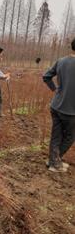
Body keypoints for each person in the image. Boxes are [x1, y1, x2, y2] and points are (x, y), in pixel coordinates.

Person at [43, 37, 75, 173]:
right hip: (71, 110)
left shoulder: (61, 61)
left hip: (56, 106)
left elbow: (46, 76)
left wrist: (55, 89)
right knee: (70, 137)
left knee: (56, 135)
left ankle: (53, 161)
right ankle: (54, 162)